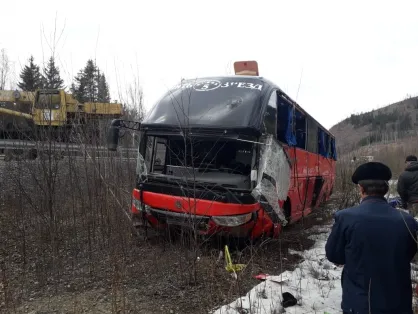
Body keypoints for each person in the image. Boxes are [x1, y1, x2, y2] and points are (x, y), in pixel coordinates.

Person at [325, 161, 418, 314]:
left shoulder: (345, 218)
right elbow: (410, 254)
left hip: (360, 304)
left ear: (361, 189)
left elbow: (334, 255)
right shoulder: (407, 221)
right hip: (399, 304)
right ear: (386, 189)